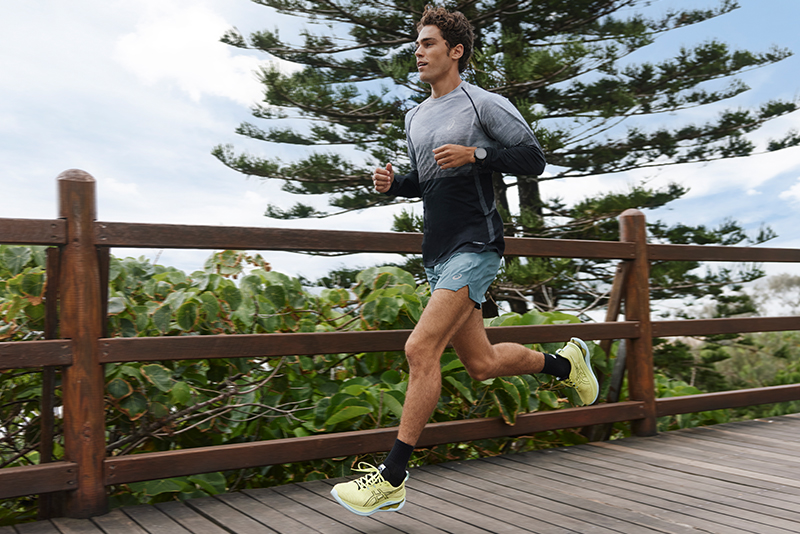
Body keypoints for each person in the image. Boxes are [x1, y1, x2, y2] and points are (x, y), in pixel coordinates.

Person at [330, 5, 599, 517]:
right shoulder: (414, 116)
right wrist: (396, 184)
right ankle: (567, 363)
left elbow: (533, 159)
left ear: (455, 51)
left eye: (429, 43)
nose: (419, 51)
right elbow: (428, 179)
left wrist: (477, 155)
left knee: (420, 348)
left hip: (476, 245)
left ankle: (391, 476)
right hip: (436, 249)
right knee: (482, 363)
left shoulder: (483, 105)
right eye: (417, 43)